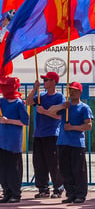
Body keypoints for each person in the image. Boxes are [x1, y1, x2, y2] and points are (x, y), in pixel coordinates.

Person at [48, 81, 93, 204]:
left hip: (76, 144)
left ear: (79, 92)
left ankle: (80, 194)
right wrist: (62, 106)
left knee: (78, 170)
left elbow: (88, 125)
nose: (71, 92)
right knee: (65, 170)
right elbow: (51, 111)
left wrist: (72, 127)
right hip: (63, 142)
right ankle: (71, 193)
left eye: (74, 90)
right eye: (70, 90)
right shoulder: (65, 107)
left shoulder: (84, 107)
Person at [25, 71, 64, 199]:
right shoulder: (41, 96)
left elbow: (59, 116)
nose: (44, 82)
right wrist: (34, 89)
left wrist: (45, 112)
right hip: (39, 134)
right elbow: (28, 102)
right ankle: (43, 188)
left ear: (53, 82)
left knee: (53, 162)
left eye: (46, 80)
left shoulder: (59, 97)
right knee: (39, 162)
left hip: (52, 134)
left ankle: (58, 188)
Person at [0, 76, 29, 204]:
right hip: (2, 140)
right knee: (3, 168)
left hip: (13, 141)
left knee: (13, 168)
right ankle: (6, 191)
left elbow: (25, 121)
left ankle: (15, 193)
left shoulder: (19, 103)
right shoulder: (2, 102)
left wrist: (8, 121)